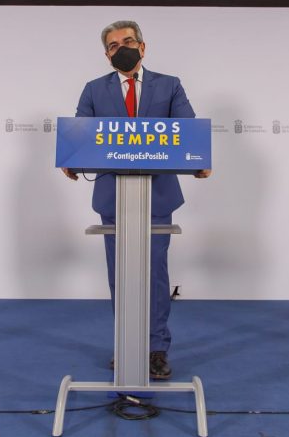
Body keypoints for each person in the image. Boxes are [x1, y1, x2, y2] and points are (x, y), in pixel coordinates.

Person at [62, 20, 210, 379]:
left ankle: (156, 348)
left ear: (142, 47)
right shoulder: (94, 89)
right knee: (121, 274)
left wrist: (199, 164)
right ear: (107, 54)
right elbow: (83, 132)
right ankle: (128, 344)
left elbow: (185, 130)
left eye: (127, 41)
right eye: (113, 45)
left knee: (155, 275)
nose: (121, 48)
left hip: (157, 196)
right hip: (113, 197)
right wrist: (71, 160)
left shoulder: (169, 85)